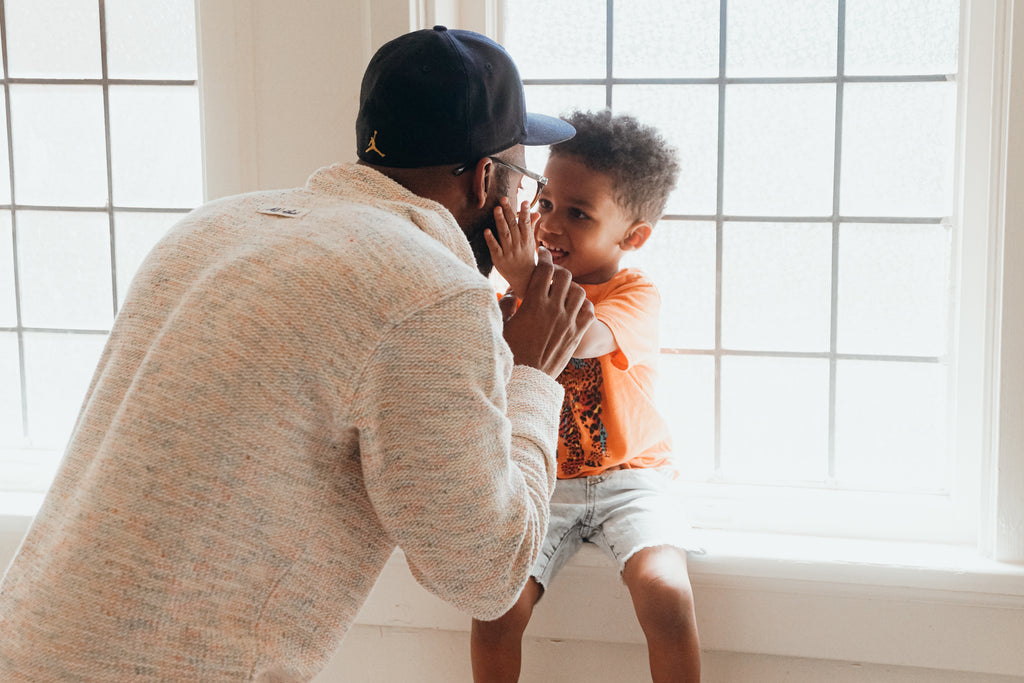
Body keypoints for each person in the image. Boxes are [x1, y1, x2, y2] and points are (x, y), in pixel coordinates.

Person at [0, 27, 594, 682]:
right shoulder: (433, 292)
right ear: (488, 180)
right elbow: (486, 572)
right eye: (524, 182)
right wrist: (534, 371)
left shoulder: (212, 226)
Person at [471, 110, 702, 682]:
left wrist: (526, 284)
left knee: (666, 593)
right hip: (543, 480)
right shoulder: (514, 293)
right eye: (546, 204)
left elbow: (585, 333)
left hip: (631, 477)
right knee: (496, 605)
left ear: (633, 236)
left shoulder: (632, 292)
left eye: (578, 214)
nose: (550, 226)